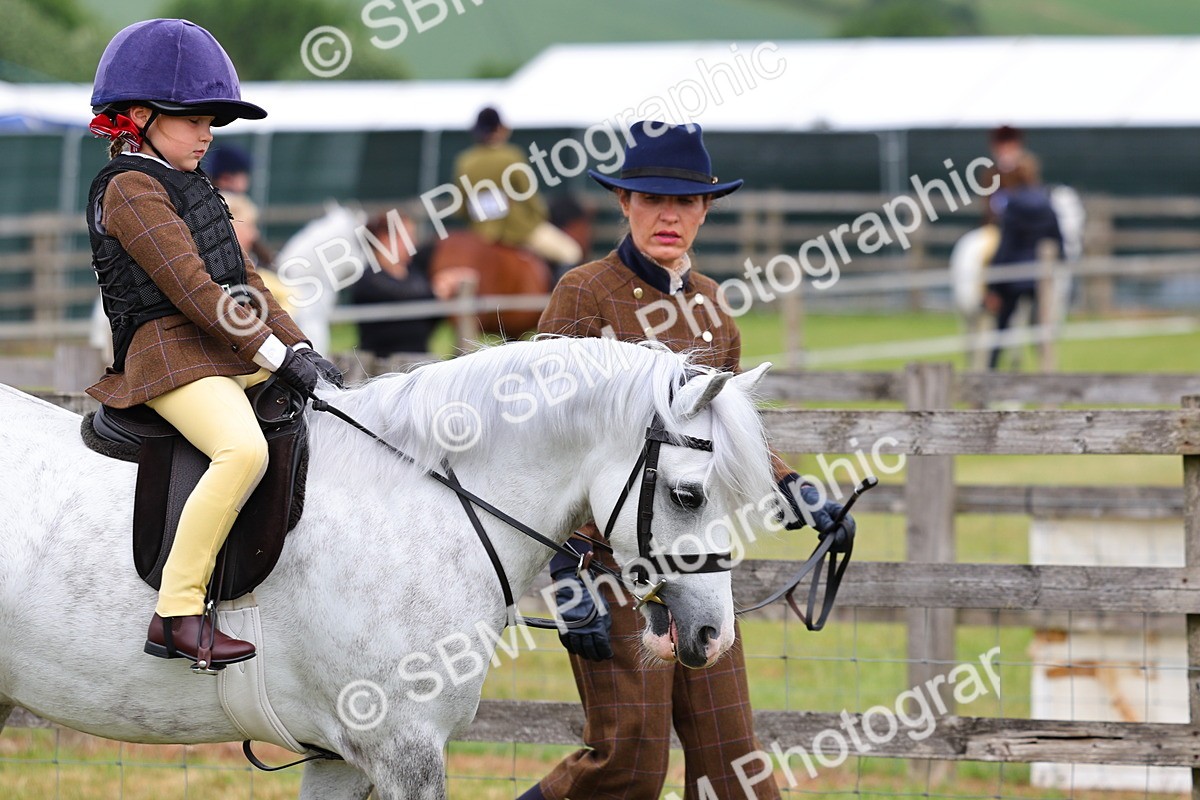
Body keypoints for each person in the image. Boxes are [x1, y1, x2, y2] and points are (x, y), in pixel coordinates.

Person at [521, 121, 855, 800]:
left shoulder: (715, 309)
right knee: (628, 767)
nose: (668, 216)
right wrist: (566, 576)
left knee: (735, 766)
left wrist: (796, 490)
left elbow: (726, 435)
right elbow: (542, 444)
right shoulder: (583, 295)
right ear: (623, 201)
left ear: (706, 209)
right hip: (606, 565)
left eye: (685, 202)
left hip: (699, 563)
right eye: (650, 199)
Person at [85, 18, 341, 668]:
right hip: (166, 357)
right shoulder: (129, 190)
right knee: (241, 451)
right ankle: (176, 611)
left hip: (217, 349)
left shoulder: (192, 186)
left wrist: (301, 347)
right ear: (139, 116)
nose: (206, 133)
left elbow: (244, 280)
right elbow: (194, 290)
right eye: (192, 118)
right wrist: (275, 356)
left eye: (210, 121)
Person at [454, 106, 582, 267]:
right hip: (516, 230)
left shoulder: (465, 161)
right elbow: (529, 196)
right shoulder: (511, 156)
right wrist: (541, 215)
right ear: (499, 129)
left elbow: (462, 206)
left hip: (481, 232)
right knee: (571, 253)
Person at [350, 212, 475, 356]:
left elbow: (426, 318)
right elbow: (401, 300)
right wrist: (436, 293)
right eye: (407, 237)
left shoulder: (415, 274)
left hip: (419, 363)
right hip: (381, 368)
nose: (414, 243)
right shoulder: (369, 280)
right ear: (385, 239)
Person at [985, 154, 1064, 370]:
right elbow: (1058, 238)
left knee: (1001, 331)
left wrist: (993, 286)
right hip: (1040, 278)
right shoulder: (1047, 203)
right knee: (1042, 331)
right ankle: (1047, 374)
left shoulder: (1013, 205)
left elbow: (1006, 246)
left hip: (1014, 278)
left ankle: (988, 376)